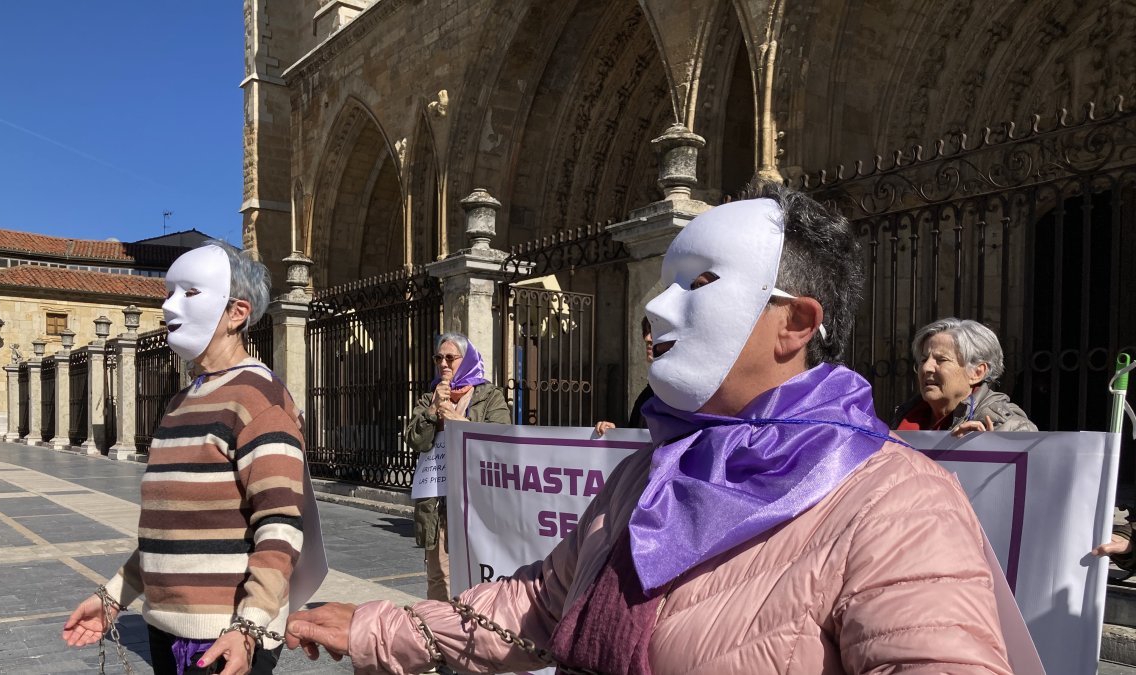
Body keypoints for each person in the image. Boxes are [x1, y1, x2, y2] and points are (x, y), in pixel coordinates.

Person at [283, 182, 1022, 673]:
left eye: (698, 282)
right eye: (662, 282)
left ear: (795, 323)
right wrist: (380, 628)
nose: (655, 309)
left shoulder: (897, 504)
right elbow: (539, 602)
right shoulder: (654, 469)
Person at [62, 242, 320, 675]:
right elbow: (169, 531)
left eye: (190, 293)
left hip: (225, 636)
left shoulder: (260, 399)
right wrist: (113, 598)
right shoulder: (182, 400)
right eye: (169, 293)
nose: (169, 307)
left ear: (237, 313)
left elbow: (280, 525)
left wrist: (249, 626)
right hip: (166, 627)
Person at [405, 332, 509, 601]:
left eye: (450, 357)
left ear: (467, 360)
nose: (443, 364)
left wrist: (458, 422)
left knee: (477, 573)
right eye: (438, 358)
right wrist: (431, 412)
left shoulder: (489, 396)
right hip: (438, 500)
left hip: (477, 500)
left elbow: (501, 438)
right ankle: (439, 632)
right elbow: (415, 441)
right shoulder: (428, 398)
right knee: (439, 573)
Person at [891, 317, 1037, 436]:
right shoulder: (905, 417)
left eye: (941, 360)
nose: (926, 368)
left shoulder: (1008, 426)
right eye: (923, 360)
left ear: (977, 373)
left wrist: (989, 451)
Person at [595, 316, 655, 436]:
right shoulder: (648, 394)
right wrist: (613, 433)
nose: (647, 338)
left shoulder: (679, 396)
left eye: (654, 332)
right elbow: (635, 438)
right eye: (646, 332)